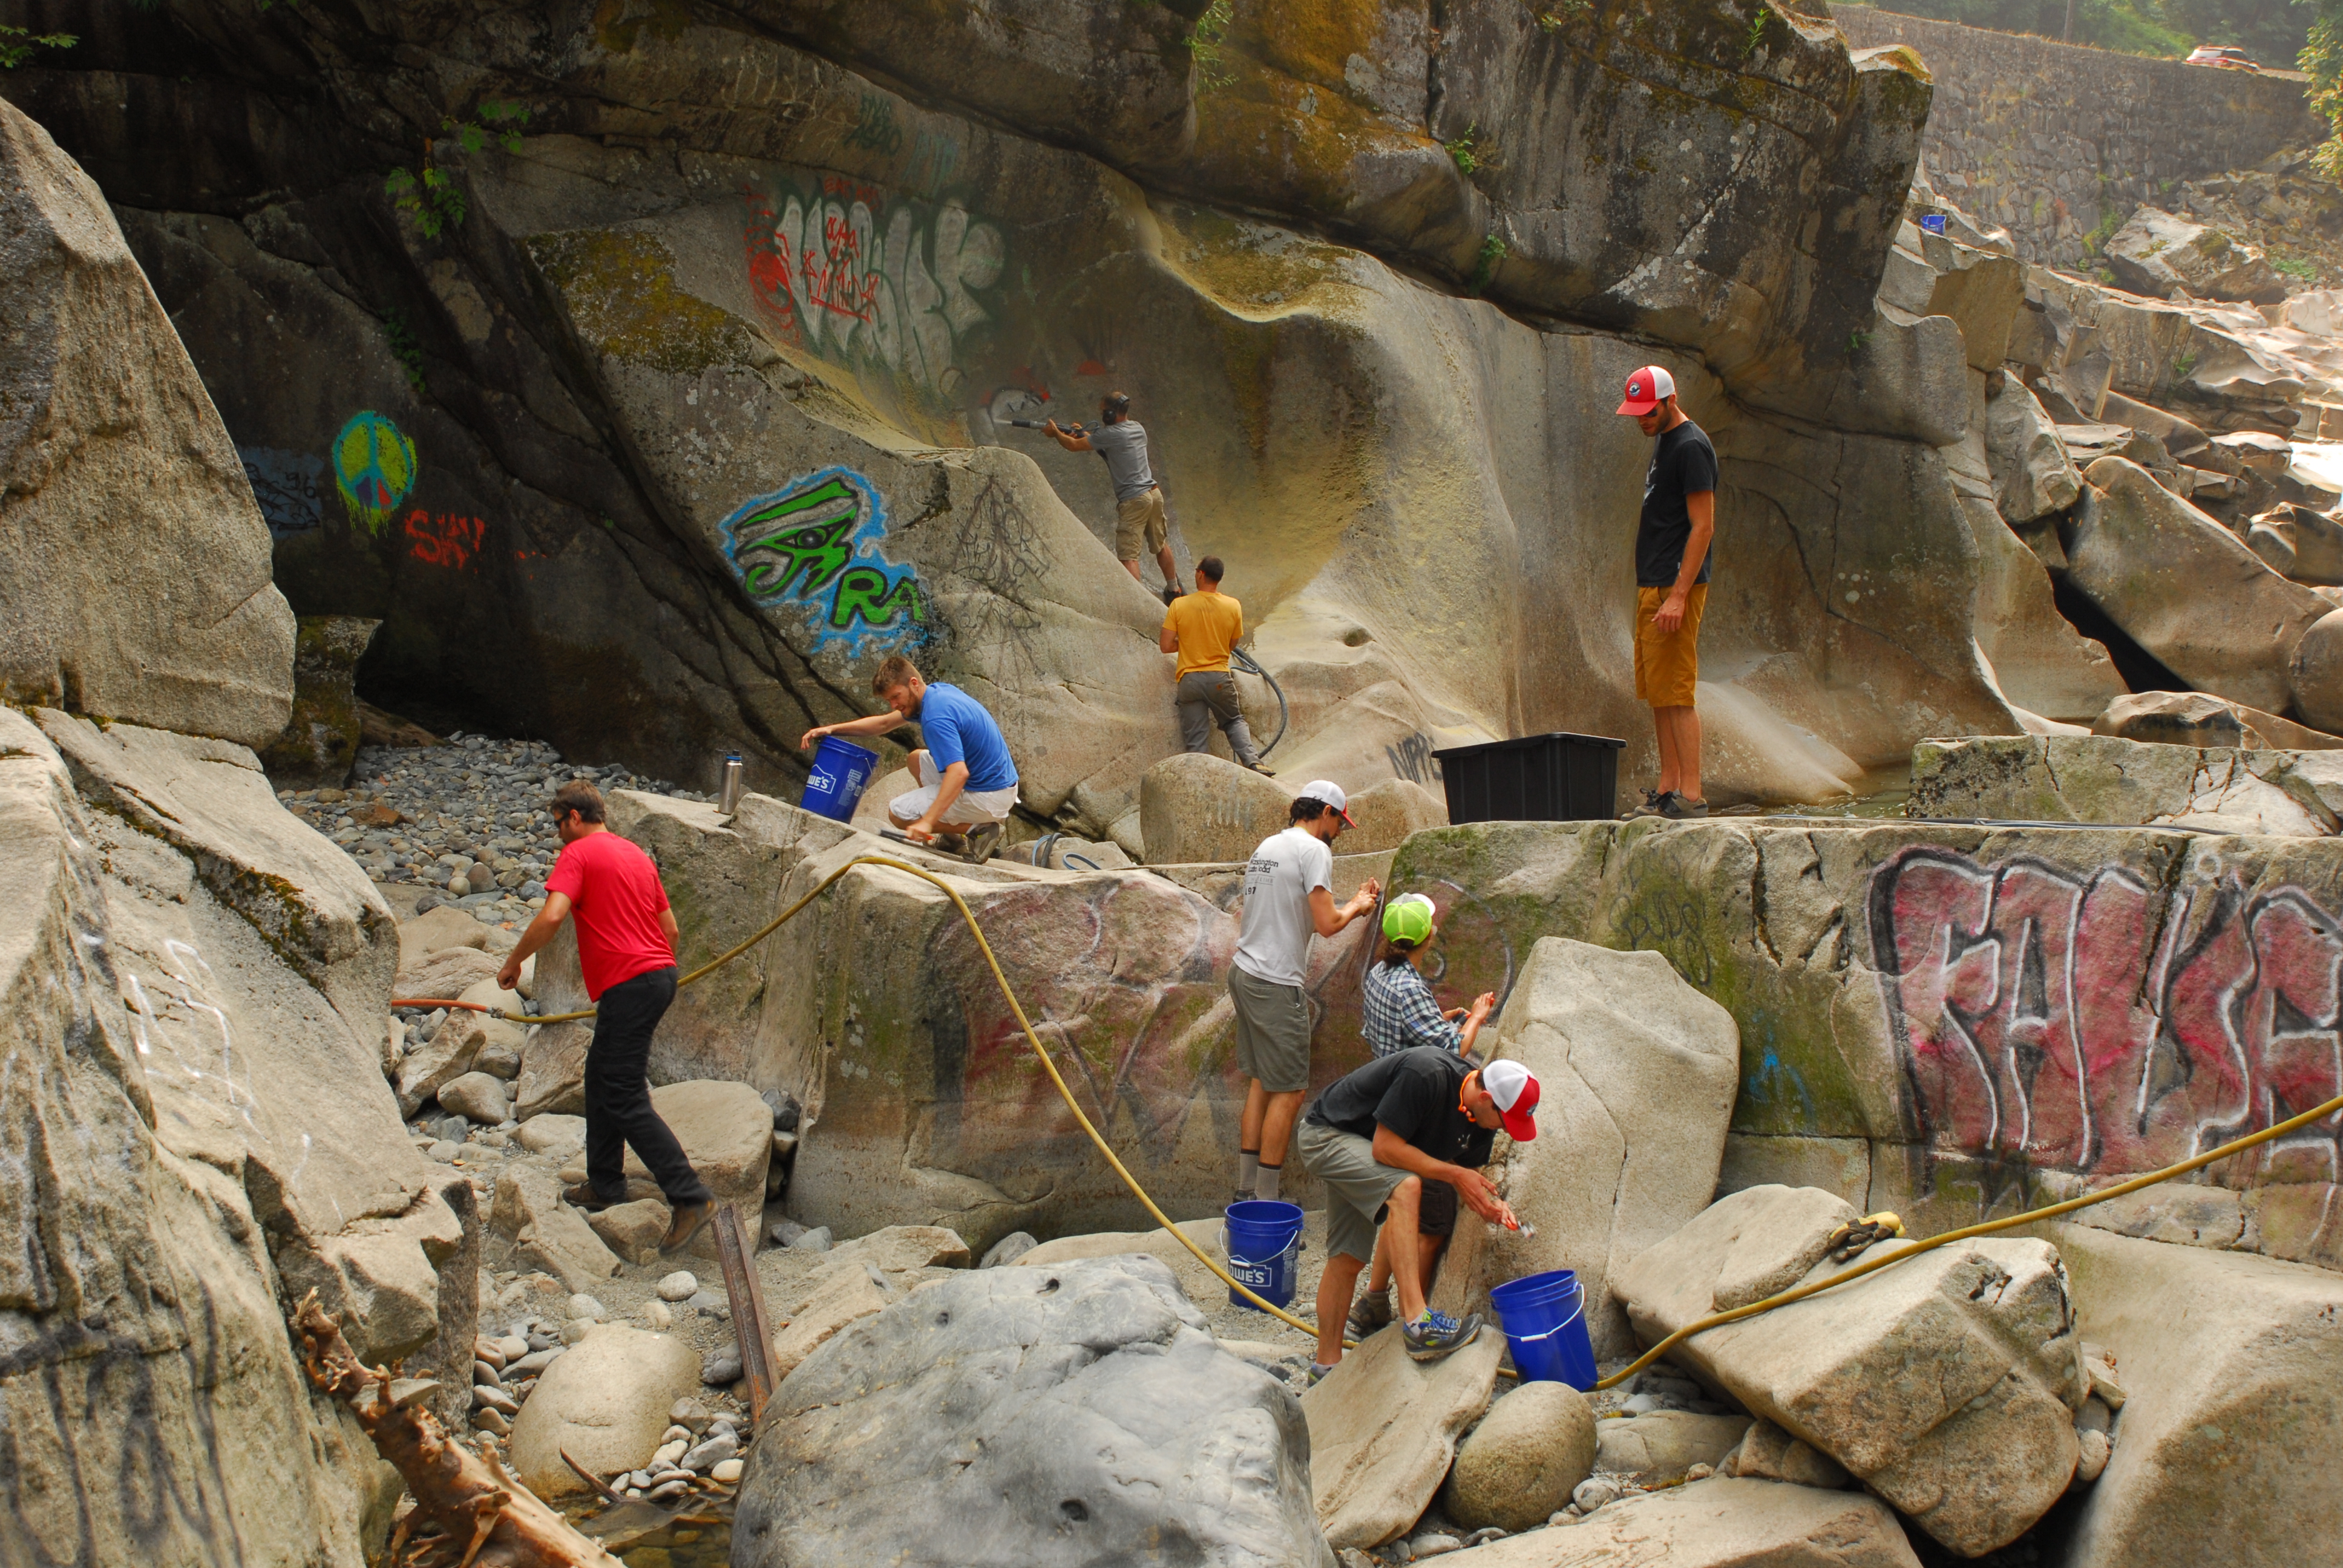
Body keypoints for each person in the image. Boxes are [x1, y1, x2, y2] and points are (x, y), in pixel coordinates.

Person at [497, 780, 715, 1253]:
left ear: (574, 817)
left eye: (558, 823)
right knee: (600, 1075)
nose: (557, 834)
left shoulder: (579, 853)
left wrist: (514, 962)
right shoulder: (635, 855)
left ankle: (691, 1196)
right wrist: (655, 969)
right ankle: (606, 1183)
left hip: (630, 983)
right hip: (658, 976)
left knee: (622, 1092)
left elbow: (553, 917)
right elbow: (670, 928)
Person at [1297, 1048, 1540, 1379]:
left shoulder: (1483, 1119)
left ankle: (1325, 1368)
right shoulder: (1427, 1074)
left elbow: (1469, 1172)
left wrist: (1492, 1204)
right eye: (1507, 1120)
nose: (1508, 1129)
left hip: (1364, 1149)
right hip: (1328, 1135)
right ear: (1485, 1098)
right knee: (1407, 1188)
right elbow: (1385, 1148)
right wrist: (1455, 1176)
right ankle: (1417, 1323)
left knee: (1348, 1258)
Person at [1229, 782, 1380, 1206]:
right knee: (1291, 1090)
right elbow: (1329, 923)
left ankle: (1245, 1193)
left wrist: (1350, 903)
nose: (1339, 832)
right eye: (1340, 823)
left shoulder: (1269, 845)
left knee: (1262, 1082)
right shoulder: (1314, 851)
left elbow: (1299, 915)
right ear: (1327, 812)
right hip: (1276, 983)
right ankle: (1267, 1202)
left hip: (1244, 973)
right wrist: (1359, 905)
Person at [1616, 364, 1717, 821]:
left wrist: (1678, 595)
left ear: (1670, 400)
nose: (1642, 420)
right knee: (1658, 691)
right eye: (1636, 413)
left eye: (1648, 411)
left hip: (1676, 587)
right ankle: (1668, 787)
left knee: (1677, 691)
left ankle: (1691, 796)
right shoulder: (1665, 439)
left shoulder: (1692, 446)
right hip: (1652, 584)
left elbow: (1703, 526)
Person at [801, 655, 1018, 863]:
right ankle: (952, 839)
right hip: (998, 785)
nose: (893, 705)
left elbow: (959, 773)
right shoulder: (936, 693)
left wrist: (927, 822)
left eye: (896, 697)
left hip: (988, 795)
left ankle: (977, 830)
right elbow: (884, 724)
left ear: (913, 683)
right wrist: (831, 729)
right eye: (889, 700)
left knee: (898, 815)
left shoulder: (935, 717)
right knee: (916, 759)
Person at [1046, 391, 1179, 602]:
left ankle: (1135, 604)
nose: (1101, 416)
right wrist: (1083, 434)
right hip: (1154, 494)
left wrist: (1056, 434)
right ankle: (1174, 590)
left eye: (1103, 412)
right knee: (1161, 545)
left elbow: (1073, 446)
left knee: (1128, 556)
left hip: (1134, 500)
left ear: (1110, 414)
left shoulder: (1110, 435)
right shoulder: (1137, 428)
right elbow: (1107, 445)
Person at [1160, 555, 1270, 773]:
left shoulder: (1179, 605)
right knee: (1233, 721)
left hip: (1189, 682)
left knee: (1196, 739)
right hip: (1219, 679)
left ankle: (1198, 776)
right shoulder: (1233, 606)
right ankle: (1253, 761)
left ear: (1200, 574)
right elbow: (1232, 644)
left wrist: (1189, 643)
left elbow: (1165, 646)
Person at [1361, 893, 1496, 1060]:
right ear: (1429, 935)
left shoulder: (1377, 972)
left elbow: (1380, 1031)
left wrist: (1434, 1020)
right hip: (1408, 1082)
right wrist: (1477, 1016)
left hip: (1385, 1075)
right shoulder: (1410, 991)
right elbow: (1455, 1050)